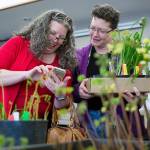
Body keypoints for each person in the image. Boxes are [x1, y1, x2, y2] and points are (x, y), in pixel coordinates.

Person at [73, 4, 147, 139]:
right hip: (89, 125)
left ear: (113, 31)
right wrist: (80, 91)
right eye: (92, 28)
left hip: (123, 124)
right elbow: (71, 91)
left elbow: (140, 94)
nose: (95, 34)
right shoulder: (80, 56)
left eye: (101, 30)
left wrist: (136, 99)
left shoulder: (129, 54)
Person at [0, 10, 77, 120]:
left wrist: (60, 95)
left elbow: (62, 113)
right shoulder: (19, 44)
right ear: (42, 30)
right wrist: (27, 75)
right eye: (52, 33)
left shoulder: (63, 66)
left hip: (39, 129)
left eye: (61, 37)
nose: (56, 39)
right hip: (6, 122)